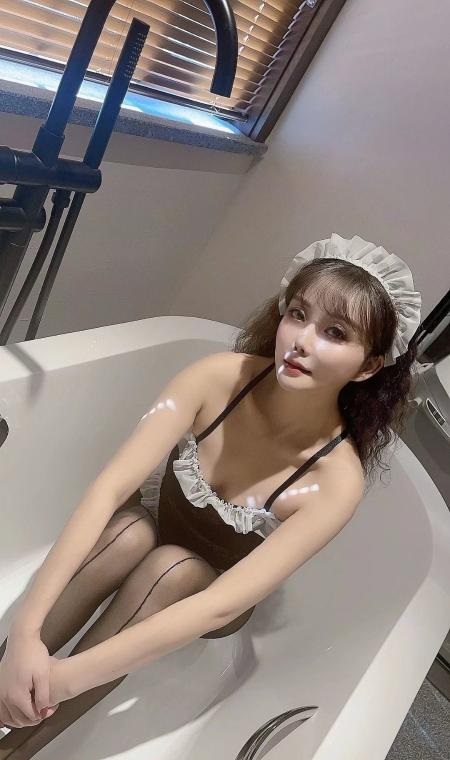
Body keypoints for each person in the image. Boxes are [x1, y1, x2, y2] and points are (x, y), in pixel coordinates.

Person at [0, 233, 422, 759]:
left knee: (170, 568)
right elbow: (110, 489)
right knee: (128, 532)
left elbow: (219, 607)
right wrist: (25, 635)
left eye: (335, 333)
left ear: (367, 367)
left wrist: (62, 681)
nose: (302, 341)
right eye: (297, 314)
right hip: (152, 531)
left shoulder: (336, 482)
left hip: (210, 589)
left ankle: (15, 750)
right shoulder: (216, 378)